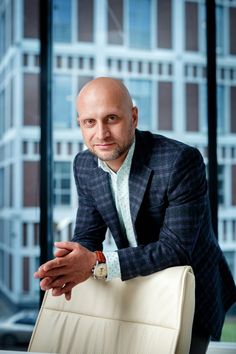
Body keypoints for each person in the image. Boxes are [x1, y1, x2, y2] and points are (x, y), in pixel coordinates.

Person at [34, 77, 236, 354]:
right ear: (79, 124)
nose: (101, 133)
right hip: (137, 283)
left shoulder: (180, 161)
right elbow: (87, 235)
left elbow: (176, 249)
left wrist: (95, 263)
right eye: (89, 122)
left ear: (134, 117)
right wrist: (67, 267)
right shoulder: (84, 165)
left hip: (191, 290)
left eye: (112, 118)